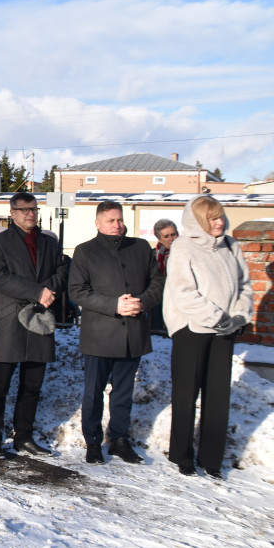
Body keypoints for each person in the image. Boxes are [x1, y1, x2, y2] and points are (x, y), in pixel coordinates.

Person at [69, 201, 164, 465]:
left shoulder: (140, 247)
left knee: (123, 392)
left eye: (120, 220)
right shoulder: (85, 251)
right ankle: (93, 442)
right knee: (93, 392)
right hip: (99, 335)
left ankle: (120, 440)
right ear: (98, 223)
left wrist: (143, 302)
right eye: (111, 220)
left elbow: (157, 281)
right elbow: (77, 290)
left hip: (132, 333)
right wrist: (114, 305)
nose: (117, 225)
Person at [164, 196, 252, 479]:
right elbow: (183, 291)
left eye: (220, 216)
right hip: (192, 328)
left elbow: (245, 286)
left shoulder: (231, 245)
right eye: (211, 218)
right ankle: (182, 454)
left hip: (224, 331)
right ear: (198, 221)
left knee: (218, 396)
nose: (219, 222)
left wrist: (239, 316)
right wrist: (217, 317)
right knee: (186, 394)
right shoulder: (183, 246)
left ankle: (211, 458)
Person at [0, 192, 68, 459]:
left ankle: (24, 436)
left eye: (34, 209)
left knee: (32, 384)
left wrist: (47, 291)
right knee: (0, 384)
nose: (31, 213)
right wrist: (37, 291)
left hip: (40, 319)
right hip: (10, 320)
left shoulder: (48, 242)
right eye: (25, 210)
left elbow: (63, 271)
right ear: (13, 213)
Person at [150, 219, 179, 335]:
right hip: (159, 295)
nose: (171, 238)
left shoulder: (186, 253)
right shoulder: (153, 255)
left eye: (173, 234)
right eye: (166, 236)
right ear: (159, 239)